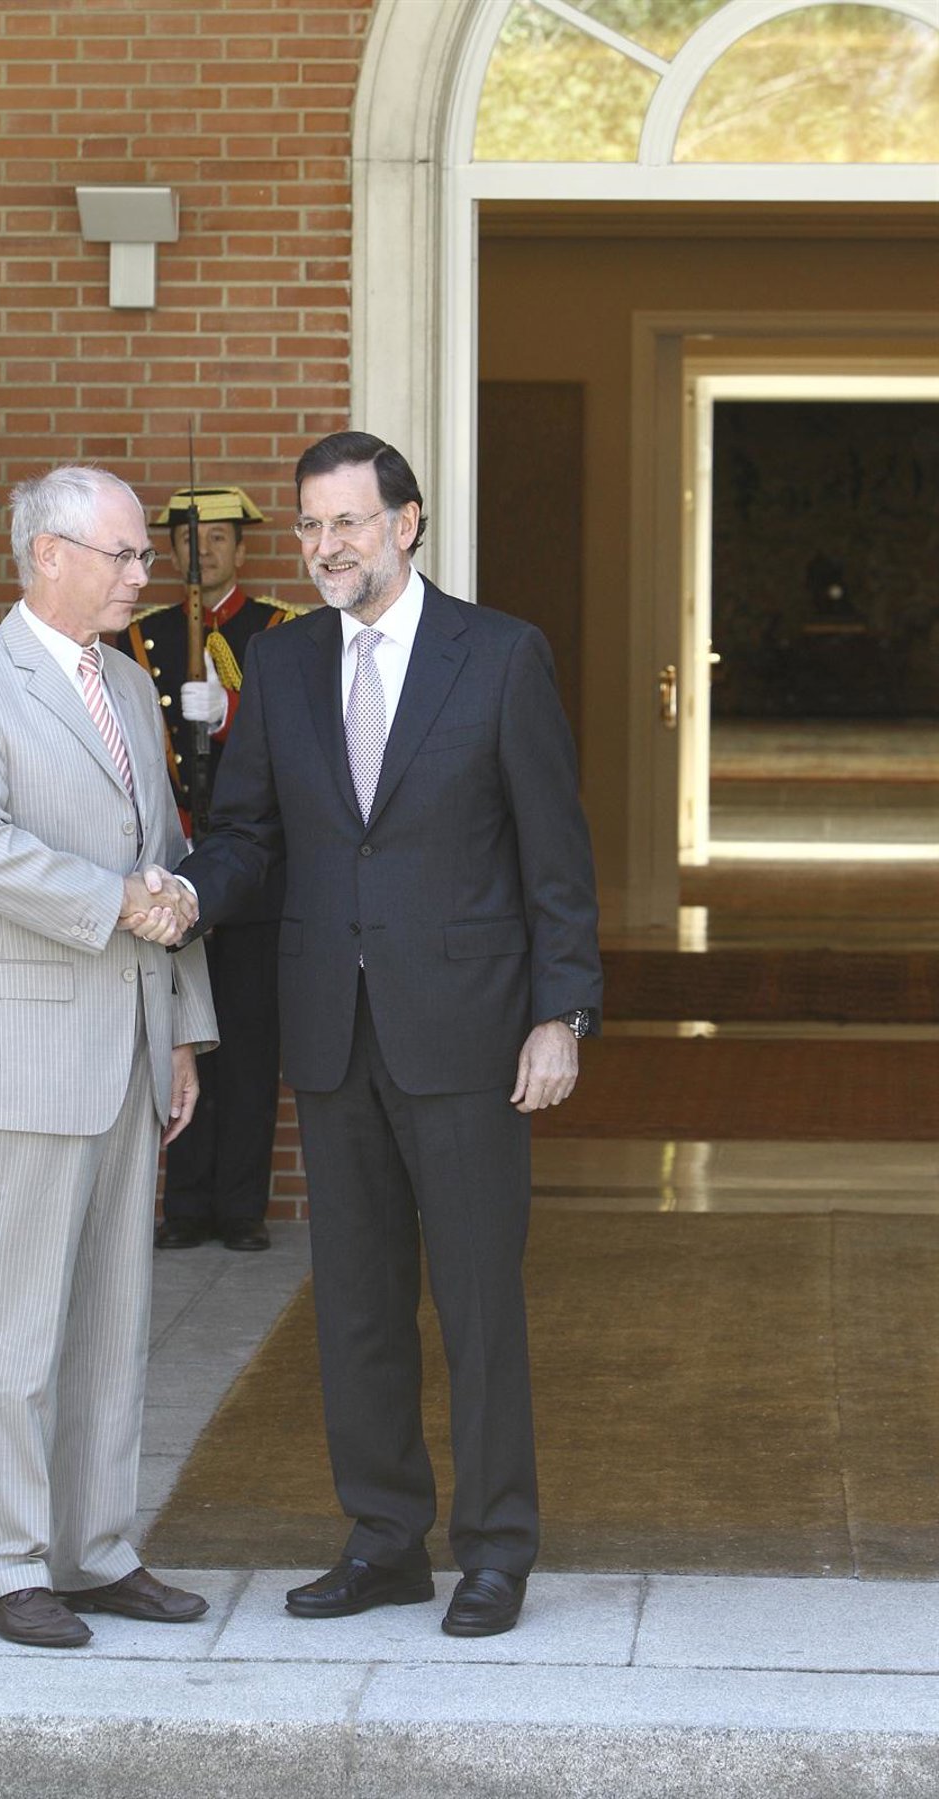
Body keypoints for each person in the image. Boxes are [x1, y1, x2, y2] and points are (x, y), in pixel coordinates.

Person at [160, 431, 602, 1639]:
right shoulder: (284, 662)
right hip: (332, 1031)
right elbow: (250, 833)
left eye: (347, 521)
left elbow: (556, 855)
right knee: (355, 1303)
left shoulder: (499, 655)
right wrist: (188, 891)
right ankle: (385, 1538)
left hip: (469, 1033)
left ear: (406, 523)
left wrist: (560, 1013)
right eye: (310, 525)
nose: (326, 545)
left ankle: (496, 1548)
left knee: (477, 1304)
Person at [0, 465, 215, 1650]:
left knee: (111, 1319)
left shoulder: (131, 684)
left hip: (133, 1040)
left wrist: (183, 1027)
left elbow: (169, 856)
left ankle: (94, 1550)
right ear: (50, 554)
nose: (145, 573)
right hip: (30, 1046)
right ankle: (3, 1565)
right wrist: (117, 900)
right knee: (22, 1321)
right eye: (124, 553)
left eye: (141, 553)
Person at [118, 485, 305, 1253]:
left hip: (253, 874)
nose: (206, 551)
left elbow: (298, 735)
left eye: (221, 538)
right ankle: (187, 1203)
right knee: (180, 1038)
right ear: (170, 552)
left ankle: (241, 1206)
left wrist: (229, 711)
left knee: (250, 1044)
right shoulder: (142, 636)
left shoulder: (278, 630)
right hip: (174, 865)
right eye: (191, 540)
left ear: (243, 548)